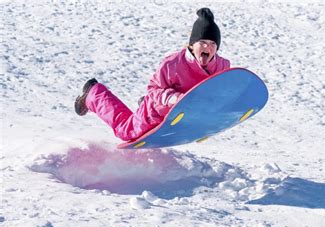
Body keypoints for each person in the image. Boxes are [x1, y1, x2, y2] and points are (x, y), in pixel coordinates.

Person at [74, 8, 230, 141]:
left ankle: (143, 104)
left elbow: (222, 91)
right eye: (202, 42)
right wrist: (174, 99)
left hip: (182, 118)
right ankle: (93, 94)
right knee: (127, 132)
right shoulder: (173, 63)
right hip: (157, 111)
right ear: (192, 44)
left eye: (212, 44)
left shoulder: (223, 67)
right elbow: (154, 89)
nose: (207, 47)